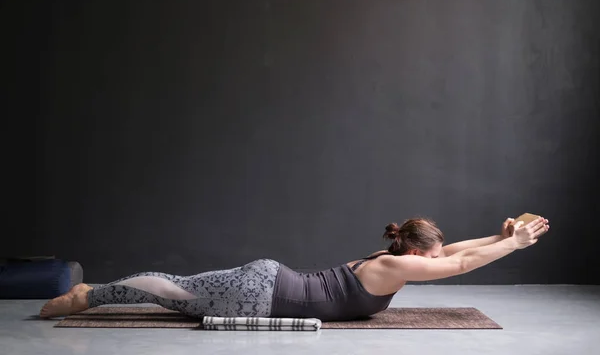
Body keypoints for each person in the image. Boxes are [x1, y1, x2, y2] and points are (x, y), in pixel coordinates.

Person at [39, 216, 549, 322]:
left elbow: (457, 250)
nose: (436, 263)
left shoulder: (397, 260)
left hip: (269, 284)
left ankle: (95, 292)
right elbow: (458, 263)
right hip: (262, 292)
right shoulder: (396, 266)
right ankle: (92, 294)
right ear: (416, 254)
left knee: (177, 294)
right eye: (430, 258)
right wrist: (516, 246)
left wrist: (503, 237)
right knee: (173, 294)